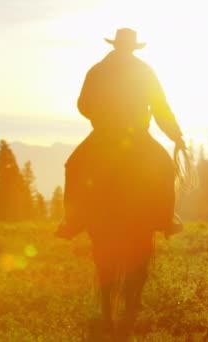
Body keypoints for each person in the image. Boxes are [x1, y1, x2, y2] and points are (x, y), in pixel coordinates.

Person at [55, 28, 186, 240]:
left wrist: (99, 115)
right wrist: (176, 135)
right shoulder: (145, 71)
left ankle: (71, 221)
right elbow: (161, 108)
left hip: (102, 135)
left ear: (115, 45)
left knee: (73, 166)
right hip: (138, 136)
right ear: (133, 47)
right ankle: (166, 219)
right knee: (166, 167)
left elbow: (83, 104)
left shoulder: (97, 71)